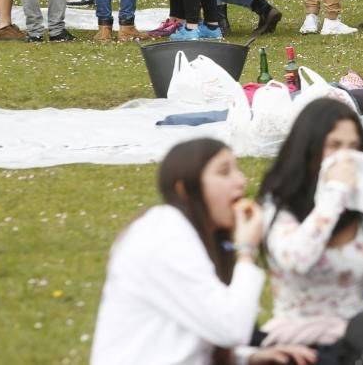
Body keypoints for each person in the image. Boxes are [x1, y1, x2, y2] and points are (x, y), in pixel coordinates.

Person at [90, 138, 316, 365]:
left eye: (237, 170)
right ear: (184, 189)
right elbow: (232, 328)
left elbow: (194, 333)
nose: (241, 181)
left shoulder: (194, 235)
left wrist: (249, 357)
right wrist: (246, 251)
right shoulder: (164, 235)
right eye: (224, 172)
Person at [257, 99, 363, 355]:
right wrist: (334, 195)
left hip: (351, 340)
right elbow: (296, 258)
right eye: (334, 146)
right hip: (294, 343)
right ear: (309, 149)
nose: (345, 158)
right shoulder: (279, 206)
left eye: (353, 147)